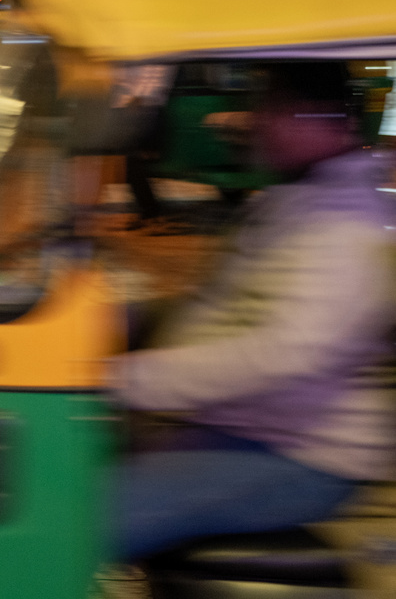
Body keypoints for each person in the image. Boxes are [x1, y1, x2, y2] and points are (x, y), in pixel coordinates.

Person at [110, 62, 396, 560]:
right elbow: (234, 304)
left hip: (299, 456)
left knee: (74, 519)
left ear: (323, 120)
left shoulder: (346, 227)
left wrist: (125, 380)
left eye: (274, 108)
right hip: (244, 428)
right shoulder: (300, 197)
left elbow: (280, 352)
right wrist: (130, 317)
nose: (254, 121)